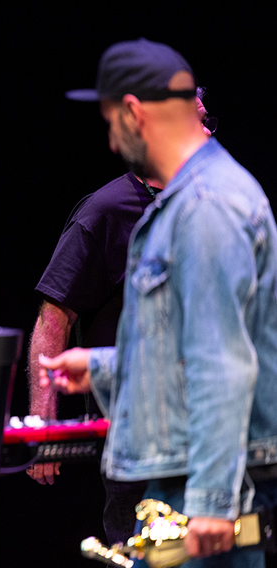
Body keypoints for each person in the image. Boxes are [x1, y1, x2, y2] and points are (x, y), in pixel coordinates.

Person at [39, 39, 277, 566]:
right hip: (183, 475)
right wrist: (103, 366)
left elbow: (224, 363)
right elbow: (188, 348)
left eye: (110, 123)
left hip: (206, 485)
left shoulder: (207, 205)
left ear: (134, 112)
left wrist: (214, 501)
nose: (110, 141)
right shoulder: (182, 202)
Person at [26, 89, 217, 546]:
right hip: (140, 438)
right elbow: (54, 319)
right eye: (196, 122)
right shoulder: (106, 212)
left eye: (207, 120)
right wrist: (43, 426)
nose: (209, 133)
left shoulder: (213, 205)